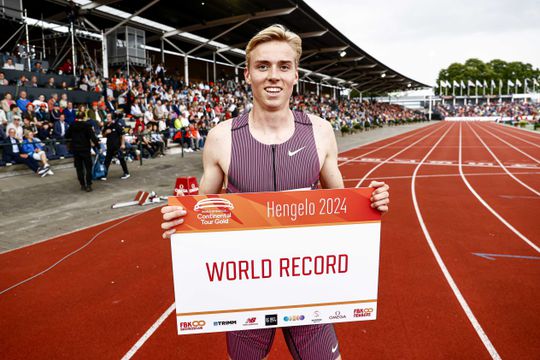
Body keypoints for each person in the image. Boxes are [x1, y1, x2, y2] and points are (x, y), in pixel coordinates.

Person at [160, 25, 390, 360]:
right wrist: (178, 218)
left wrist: (370, 203)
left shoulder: (321, 132)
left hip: (308, 287)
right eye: (263, 66)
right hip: (245, 291)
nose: (273, 76)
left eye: (284, 66)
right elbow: (199, 209)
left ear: (296, 74)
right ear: (248, 74)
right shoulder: (222, 137)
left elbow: (341, 209)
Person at [65, 116, 100, 191]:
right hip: (85, 149)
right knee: (88, 168)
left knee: (79, 168)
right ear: (84, 118)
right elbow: (93, 137)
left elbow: (66, 135)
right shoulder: (87, 126)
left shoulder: (72, 125)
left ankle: (82, 184)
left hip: (76, 149)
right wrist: (98, 146)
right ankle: (89, 185)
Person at [101, 113, 130, 180]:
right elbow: (103, 135)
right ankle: (104, 175)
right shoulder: (106, 126)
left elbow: (122, 135)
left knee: (121, 159)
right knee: (107, 161)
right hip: (109, 146)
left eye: (109, 116)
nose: (107, 117)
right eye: (107, 116)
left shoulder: (117, 125)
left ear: (112, 118)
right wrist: (106, 133)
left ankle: (126, 173)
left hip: (117, 146)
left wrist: (123, 144)